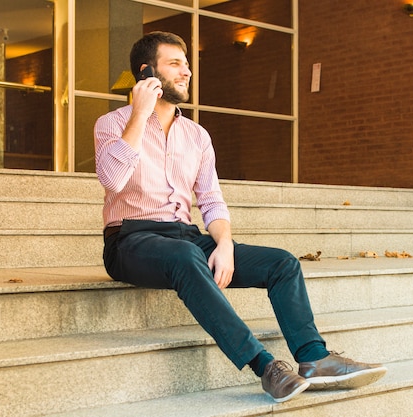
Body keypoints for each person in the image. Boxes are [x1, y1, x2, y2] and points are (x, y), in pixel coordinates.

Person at [94, 31, 386, 403]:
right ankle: (265, 367)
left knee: (281, 263)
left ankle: (314, 358)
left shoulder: (197, 136)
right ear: (146, 72)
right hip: (130, 240)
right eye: (174, 64)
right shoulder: (112, 124)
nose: (186, 72)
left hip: (185, 235)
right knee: (185, 257)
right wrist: (139, 112)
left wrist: (225, 243)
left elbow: (211, 199)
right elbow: (113, 180)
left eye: (186, 64)